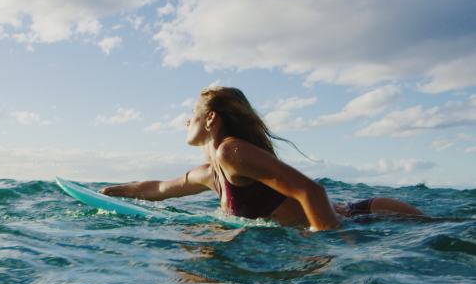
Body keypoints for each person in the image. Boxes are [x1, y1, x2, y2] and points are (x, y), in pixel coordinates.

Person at [99, 86, 423, 231]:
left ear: (210, 118)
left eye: (191, 115)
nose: (186, 121)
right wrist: (112, 191)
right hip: (352, 217)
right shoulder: (211, 171)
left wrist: (332, 250)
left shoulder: (231, 151)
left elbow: (312, 192)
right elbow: (159, 188)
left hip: (368, 217)